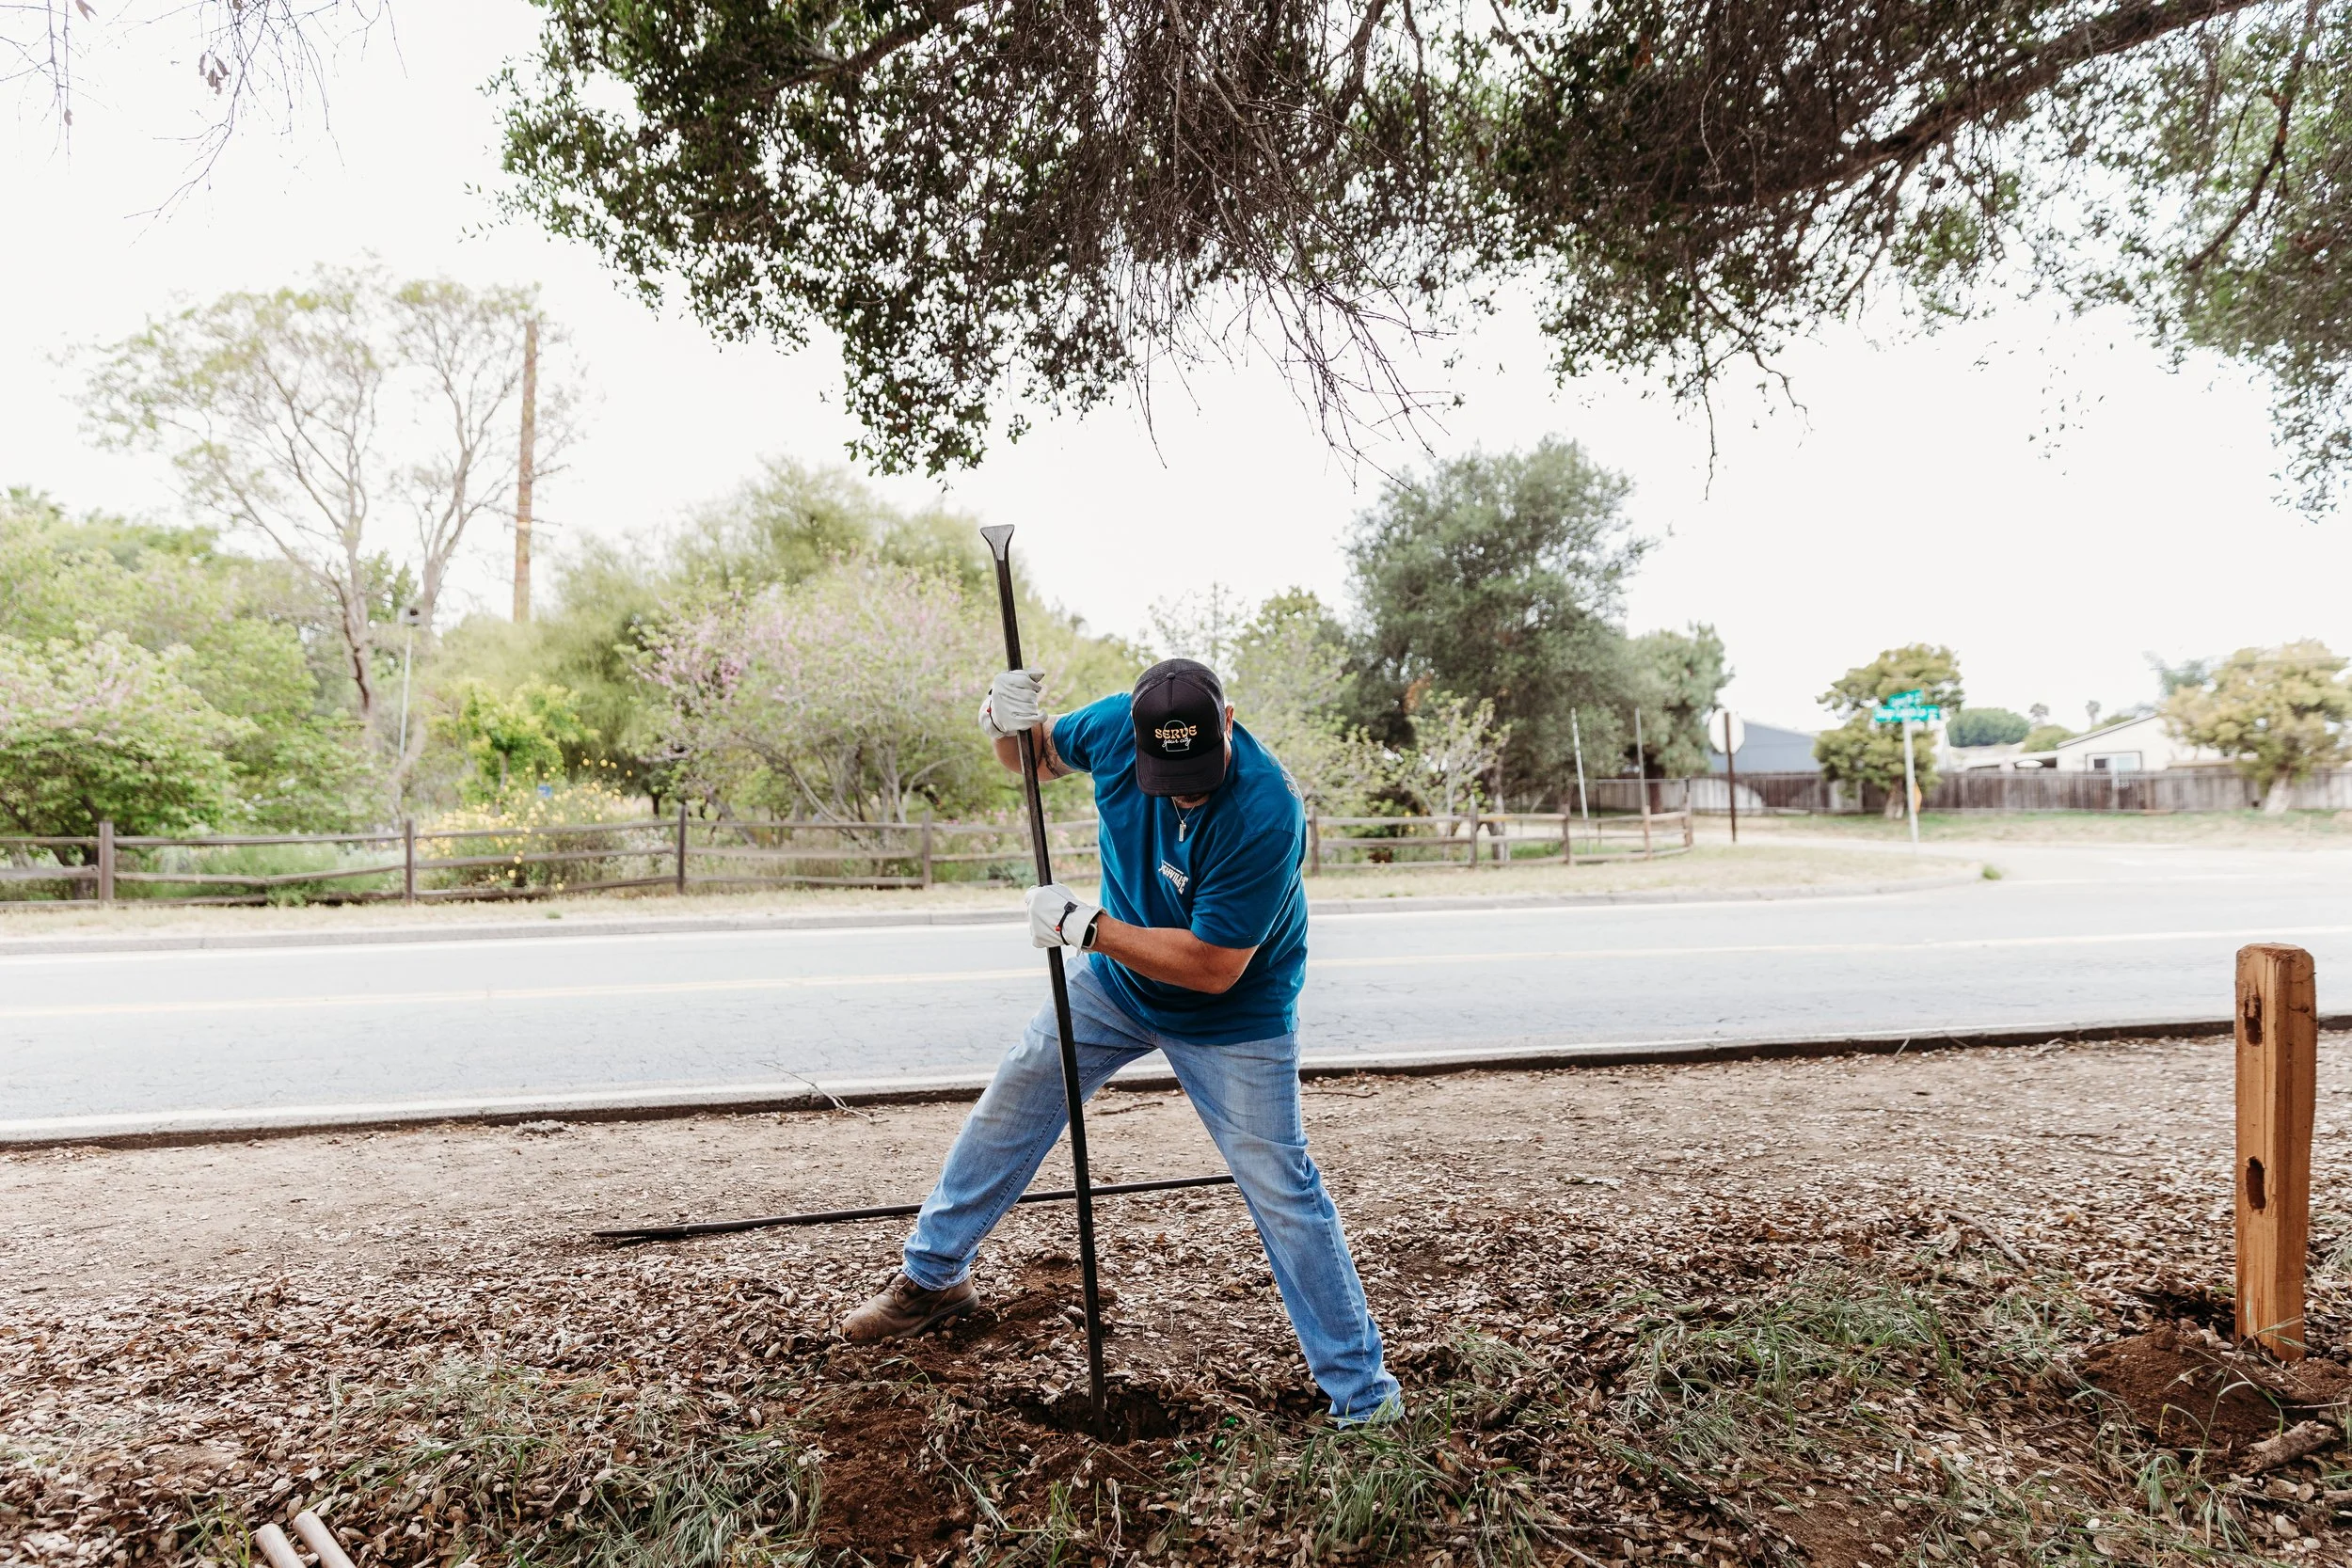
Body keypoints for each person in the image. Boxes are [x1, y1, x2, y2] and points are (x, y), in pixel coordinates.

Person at [840, 657, 1401, 1424]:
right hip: (1122, 982)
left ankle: (1362, 1396)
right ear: (1135, 742)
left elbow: (1212, 967)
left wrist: (1088, 928)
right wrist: (1003, 722)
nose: (1188, 790)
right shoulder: (1110, 725)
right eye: (1169, 775)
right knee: (1019, 1088)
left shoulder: (1269, 809)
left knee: (1281, 1185)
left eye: (1202, 770)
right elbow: (1028, 761)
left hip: (1235, 1012)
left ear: (1229, 722)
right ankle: (935, 1279)